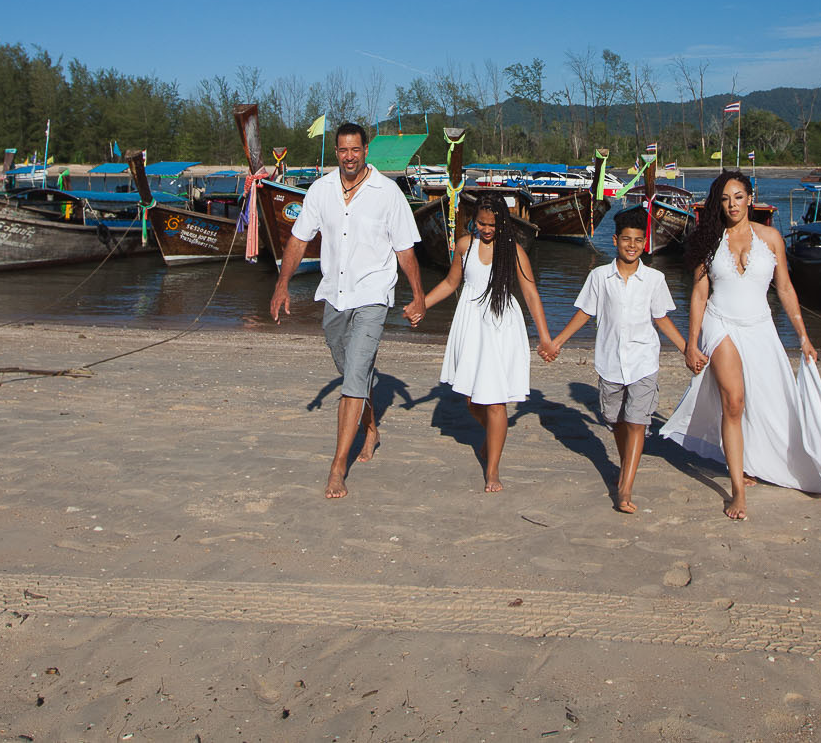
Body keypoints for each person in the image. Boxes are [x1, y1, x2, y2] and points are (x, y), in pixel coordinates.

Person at [659, 171, 821, 520]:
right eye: (725, 199)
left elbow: (784, 289)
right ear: (718, 203)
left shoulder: (770, 238)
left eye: (738, 197)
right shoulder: (710, 240)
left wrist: (803, 336)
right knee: (734, 402)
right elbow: (699, 294)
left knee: (767, 402)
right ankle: (737, 488)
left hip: (760, 327)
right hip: (719, 322)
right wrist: (691, 343)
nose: (732, 205)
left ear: (750, 199)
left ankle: (753, 460)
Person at [270, 122, 426, 499]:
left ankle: (338, 466)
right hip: (336, 295)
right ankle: (370, 425)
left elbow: (405, 251)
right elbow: (298, 239)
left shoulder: (388, 194)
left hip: (374, 295)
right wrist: (281, 283)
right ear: (336, 152)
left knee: (353, 378)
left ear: (366, 150)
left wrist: (419, 296)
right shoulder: (321, 191)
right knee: (349, 368)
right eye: (342, 150)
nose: (349, 157)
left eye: (355, 150)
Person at [405, 195, 553, 492]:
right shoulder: (464, 245)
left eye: (492, 225)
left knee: (495, 401)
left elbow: (531, 295)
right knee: (472, 400)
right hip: (470, 325)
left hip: (501, 326)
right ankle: (493, 437)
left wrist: (546, 338)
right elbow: (450, 283)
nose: (486, 229)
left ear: (503, 223)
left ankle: (493, 469)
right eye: (481, 223)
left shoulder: (514, 251)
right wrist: (422, 305)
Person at [545, 213, 688, 514]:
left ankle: (625, 487)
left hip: (643, 361)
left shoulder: (654, 279)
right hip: (609, 361)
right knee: (615, 420)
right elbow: (585, 313)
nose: (632, 245)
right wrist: (557, 342)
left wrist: (687, 348)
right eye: (626, 239)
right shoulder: (599, 276)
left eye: (638, 240)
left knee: (638, 422)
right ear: (615, 241)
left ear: (645, 243)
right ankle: (626, 464)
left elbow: (661, 318)